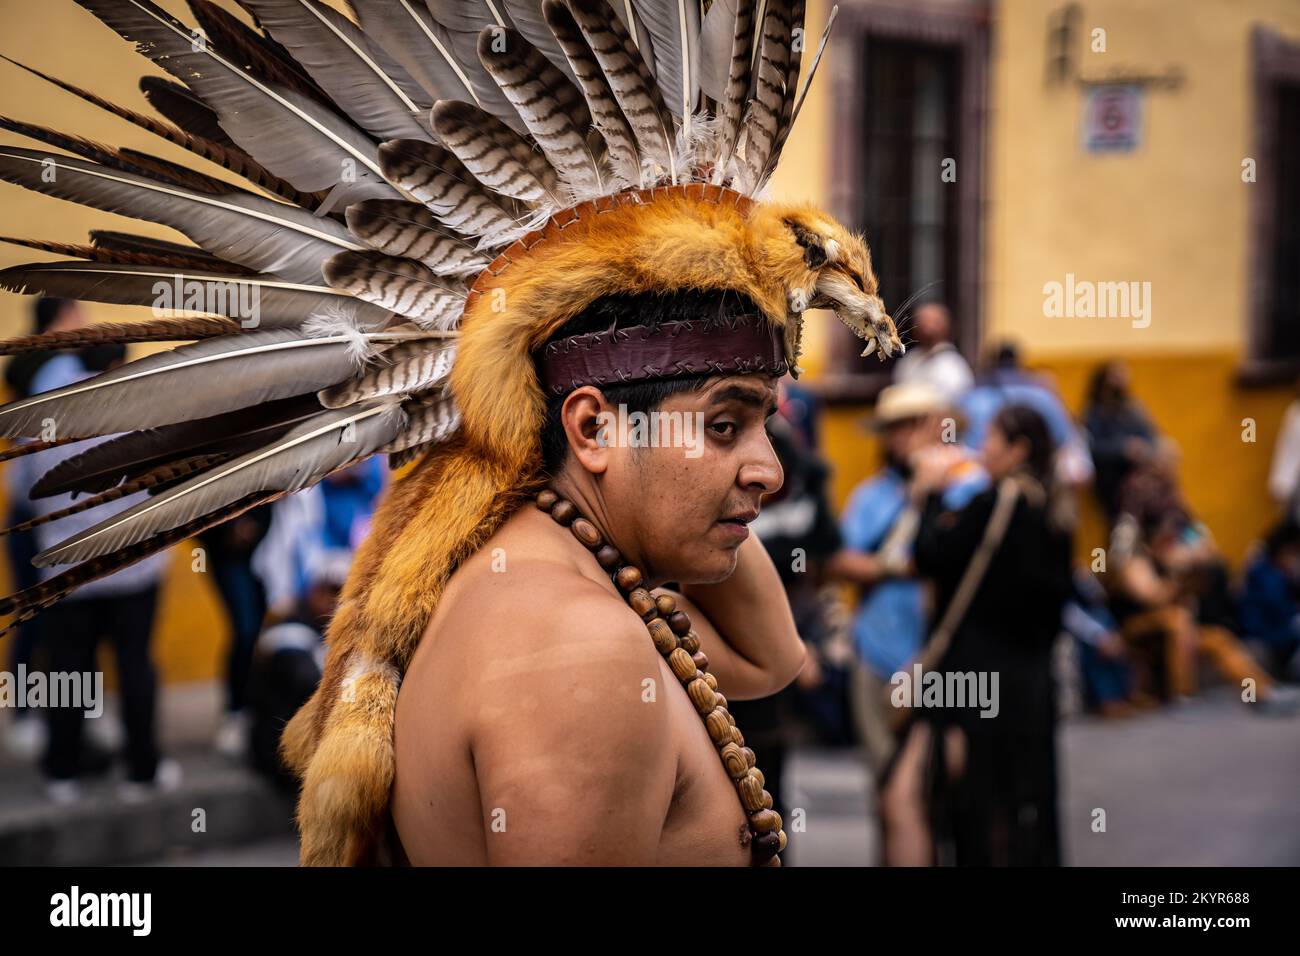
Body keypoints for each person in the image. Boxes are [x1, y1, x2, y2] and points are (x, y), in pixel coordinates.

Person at [0, 0, 905, 866]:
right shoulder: (580, 655)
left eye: (763, 426)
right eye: (724, 424)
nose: (769, 473)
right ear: (590, 426)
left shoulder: (525, 575)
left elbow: (771, 659)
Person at [882, 405, 1073, 867]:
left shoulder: (999, 504)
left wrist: (927, 496)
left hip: (977, 682)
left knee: (971, 805)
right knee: (1017, 804)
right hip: (1027, 683)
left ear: (1018, 449)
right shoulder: (1051, 509)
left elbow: (930, 556)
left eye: (992, 438)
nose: (982, 447)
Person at [11, 343, 179, 803]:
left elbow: (24, 492)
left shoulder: (46, 416)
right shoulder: (137, 411)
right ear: (115, 364)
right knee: (135, 666)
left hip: (69, 569)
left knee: (68, 667)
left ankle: (62, 772)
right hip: (133, 568)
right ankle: (141, 771)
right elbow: (167, 480)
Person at [829, 382, 986, 777]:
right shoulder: (871, 495)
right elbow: (839, 562)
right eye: (897, 427)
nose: (906, 436)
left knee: (947, 782)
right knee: (886, 780)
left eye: (917, 424)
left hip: (944, 655)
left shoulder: (971, 487)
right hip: (876, 649)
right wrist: (898, 567)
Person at [1083, 361, 1160, 519]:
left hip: (1137, 477)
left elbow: (1151, 437)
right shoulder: (1095, 412)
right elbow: (1091, 447)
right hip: (1110, 479)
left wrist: (1143, 449)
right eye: (1116, 376)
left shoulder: (1134, 410)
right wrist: (1122, 449)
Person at [890, 302, 973, 404]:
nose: (926, 326)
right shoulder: (909, 360)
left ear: (946, 325)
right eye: (921, 321)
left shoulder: (954, 365)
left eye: (932, 321)